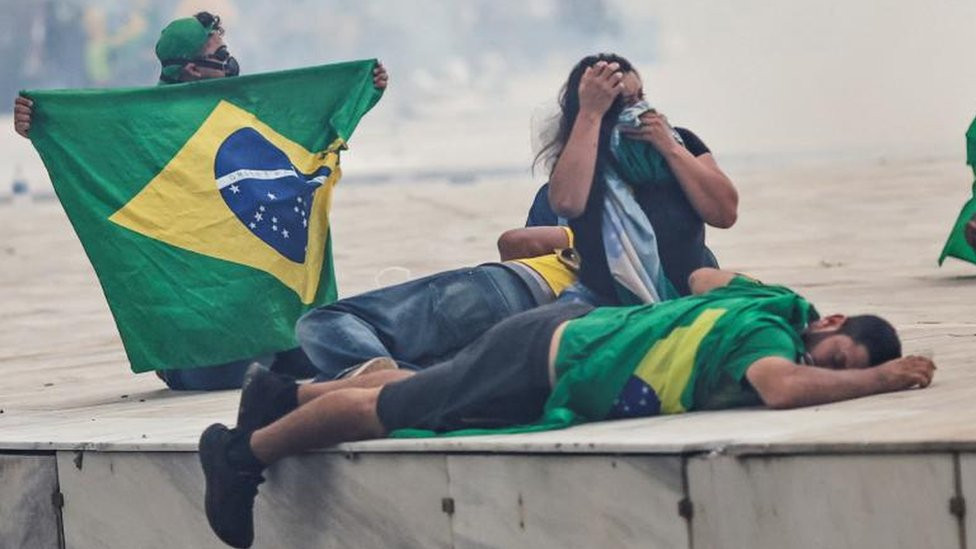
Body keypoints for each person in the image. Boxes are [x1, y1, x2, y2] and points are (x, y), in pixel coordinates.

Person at [197, 267, 934, 548]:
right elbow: (779, 384)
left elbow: (709, 273)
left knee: (416, 383)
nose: (819, 372)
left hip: (554, 343)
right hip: (549, 363)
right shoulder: (772, 332)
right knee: (386, 408)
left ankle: (283, 394)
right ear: (830, 324)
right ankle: (240, 456)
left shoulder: (769, 299)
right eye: (831, 361)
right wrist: (882, 380)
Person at [13, 11, 388, 390]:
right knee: (233, 376)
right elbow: (94, 149)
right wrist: (39, 124)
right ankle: (177, 364)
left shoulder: (245, 105)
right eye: (219, 52)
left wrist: (362, 90)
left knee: (317, 356)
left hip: (262, 299)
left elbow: (311, 123)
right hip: (202, 312)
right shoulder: (146, 123)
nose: (229, 58)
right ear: (192, 69)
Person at [543, 53, 737, 301]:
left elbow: (725, 214)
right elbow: (567, 202)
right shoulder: (584, 155)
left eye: (640, 98)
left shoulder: (681, 142)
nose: (639, 111)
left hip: (686, 295)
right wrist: (590, 114)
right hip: (606, 300)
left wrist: (669, 148)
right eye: (624, 103)